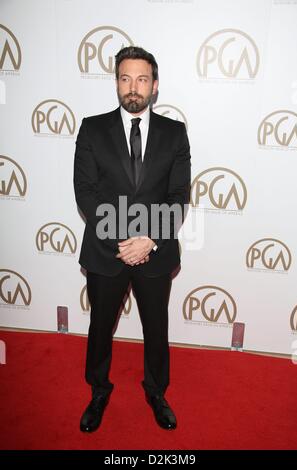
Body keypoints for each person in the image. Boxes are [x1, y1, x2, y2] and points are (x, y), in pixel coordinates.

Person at [74, 46, 191, 432]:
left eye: (142, 79)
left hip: (154, 253)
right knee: (100, 326)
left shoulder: (175, 133)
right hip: (106, 250)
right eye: (125, 78)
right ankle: (98, 390)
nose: (133, 87)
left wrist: (150, 241)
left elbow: (178, 196)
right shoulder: (92, 128)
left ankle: (157, 392)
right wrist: (126, 241)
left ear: (154, 86)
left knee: (156, 327)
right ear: (117, 82)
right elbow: (86, 192)